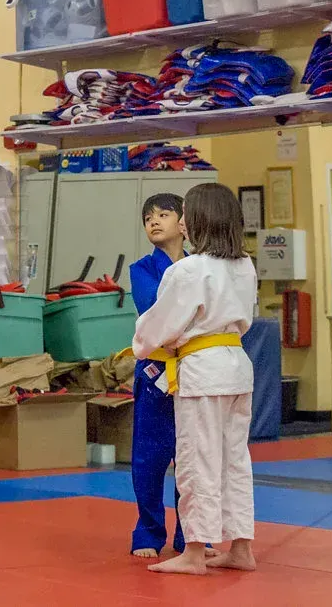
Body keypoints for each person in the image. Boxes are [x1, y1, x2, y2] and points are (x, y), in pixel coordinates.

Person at [130, 183, 258, 576]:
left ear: (199, 219)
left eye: (185, 213)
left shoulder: (189, 269)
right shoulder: (244, 264)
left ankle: (195, 552)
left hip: (202, 370)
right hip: (236, 365)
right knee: (234, 460)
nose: (180, 220)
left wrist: (141, 344)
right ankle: (241, 547)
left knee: (196, 460)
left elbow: (157, 326)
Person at [127, 193, 187, 559]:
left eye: (163, 214)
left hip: (196, 367)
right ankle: (148, 531)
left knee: (194, 459)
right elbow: (154, 309)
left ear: (183, 222)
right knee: (149, 459)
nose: (154, 222)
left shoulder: (202, 265)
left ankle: (193, 535)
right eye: (148, 217)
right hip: (156, 372)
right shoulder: (142, 269)